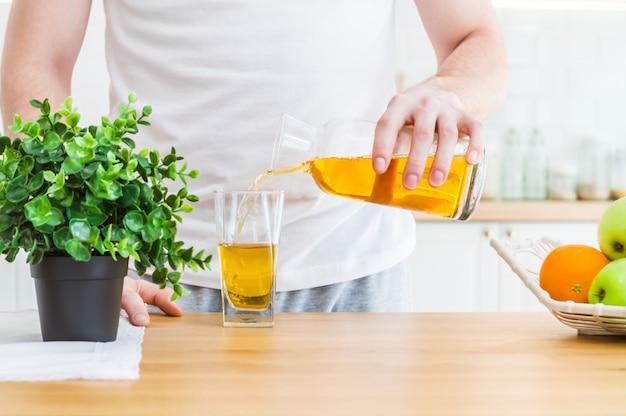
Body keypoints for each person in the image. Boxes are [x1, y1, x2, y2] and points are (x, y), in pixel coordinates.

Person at [0, 1, 508, 325]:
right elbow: (35, 67)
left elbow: (478, 40)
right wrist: (85, 252)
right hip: (157, 289)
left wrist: (447, 90)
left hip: (356, 272)